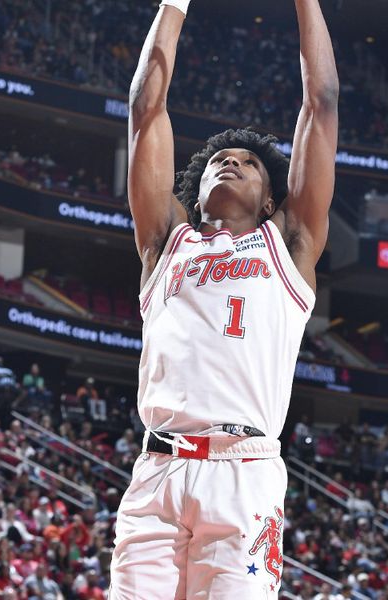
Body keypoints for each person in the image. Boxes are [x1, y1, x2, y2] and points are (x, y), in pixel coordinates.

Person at [109, 0, 338, 596]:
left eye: (246, 162)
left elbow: (323, 103)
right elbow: (144, 109)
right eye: (218, 160)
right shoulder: (166, 241)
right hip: (158, 471)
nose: (229, 162)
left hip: (245, 473)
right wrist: (175, 4)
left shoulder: (288, 245)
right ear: (200, 187)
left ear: (270, 202)